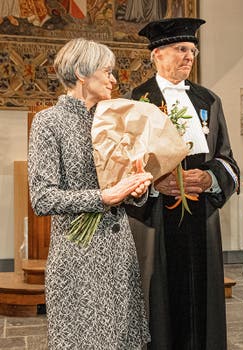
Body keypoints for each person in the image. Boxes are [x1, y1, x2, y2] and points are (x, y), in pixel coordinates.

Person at [27, 38, 153, 349]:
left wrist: (135, 189)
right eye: (107, 71)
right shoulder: (49, 122)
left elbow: (121, 188)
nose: (114, 79)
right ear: (83, 73)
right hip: (77, 255)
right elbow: (42, 197)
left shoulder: (113, 120)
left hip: (119, 250)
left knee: (123, 340)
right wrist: (104, 197)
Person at [126, 17, 240, 350]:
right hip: (156, 219)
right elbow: (121, 167)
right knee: (160, 298)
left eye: (192, 50)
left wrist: (209, 178)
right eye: (181, 49)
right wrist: (153, 183)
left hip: (201, 216)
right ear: (157, 55)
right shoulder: (137, 101)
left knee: (202, 304)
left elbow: (228, 160)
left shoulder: (209, 100)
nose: (189, 56)